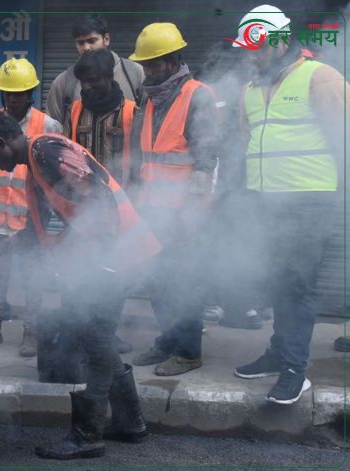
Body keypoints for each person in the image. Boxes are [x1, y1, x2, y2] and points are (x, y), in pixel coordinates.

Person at [0, 112, 160, 460]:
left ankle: (87, 435)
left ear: (0, 144)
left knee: (96, 338)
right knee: (94, 337)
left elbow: (98, 202)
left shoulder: (46, 151)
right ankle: (131, 423)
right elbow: (33, 234)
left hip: (114, 254)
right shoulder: (36, 166)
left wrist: (85, 261)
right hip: (111, 254)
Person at [229, 5, 350, 401]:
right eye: (247, 48)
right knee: (277, 281)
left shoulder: (319, 77)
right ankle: (278, 352)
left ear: (282, 40)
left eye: (260, 46)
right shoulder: (250, 91)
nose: (253, 55)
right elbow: (248, 145)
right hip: (266, 203)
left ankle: (293, 370)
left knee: (298, 284)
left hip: (309, 202)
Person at [127, 23, 218, 377]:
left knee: (184, 281)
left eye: (154, 64)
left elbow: (206, 157)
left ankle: (188, 350)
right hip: (154, 208)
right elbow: (143, 156)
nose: (148, 71)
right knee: (159, 280)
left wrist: (192, 213)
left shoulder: (198, 95)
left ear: (173, 59)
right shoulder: (150, 99)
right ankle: (168, 338)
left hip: (184, 212)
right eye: (145, 65)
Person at [0, 58, 63, 357]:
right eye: (9, 94)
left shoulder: (47, 124)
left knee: (32, 275)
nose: (14, 99)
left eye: (19, 94)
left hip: (30, 215)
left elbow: (55, 170)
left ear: (31, 92)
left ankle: (31, 331)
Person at [65, 48, 139, 354]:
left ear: (110, 77)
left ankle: (107, 333)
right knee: (82, 270)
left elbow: (138, 161)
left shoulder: (133, 112)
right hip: (82, 207)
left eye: (94, 80)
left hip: (119, 207)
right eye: (84, 82)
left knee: (114, 274)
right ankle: (84, 331)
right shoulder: (75, 109)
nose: (88, 87)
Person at [46, 14, 144, 127]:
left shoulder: (135, 73)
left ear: (106, 39)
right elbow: (53, 131)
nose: (86, 47)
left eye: (91, 41)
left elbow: (150, 124)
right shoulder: (64, 81)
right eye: (80, 42)